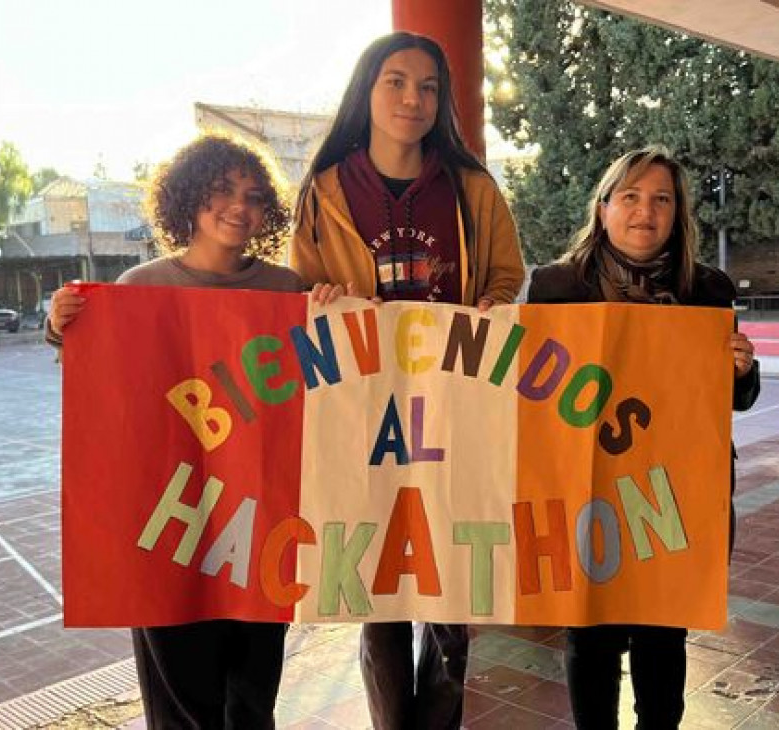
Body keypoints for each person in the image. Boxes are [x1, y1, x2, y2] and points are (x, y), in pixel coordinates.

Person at [47, 133, 345, 729]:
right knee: (181, 705)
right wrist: (61, 327)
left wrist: (336, 311)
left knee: (254, 698)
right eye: (221, 191)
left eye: (254, 196)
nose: (239, 205)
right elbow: (105, 398)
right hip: (166, 525)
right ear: (187, 199)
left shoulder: (288, 291)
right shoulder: (137, 288)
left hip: (259, 528)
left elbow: (333, 392)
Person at [289, 31, 525, 730]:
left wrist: (497, 305)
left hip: (455, 409)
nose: (412, 98)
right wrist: (317, 301)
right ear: (366, 91)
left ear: (441, 102)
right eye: (395, 81)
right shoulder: (325, 192)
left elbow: (509, 279)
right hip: (362, 413)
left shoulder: (473, 190)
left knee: (454, 591)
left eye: (427, 87)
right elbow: (296, 292)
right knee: (381, 591)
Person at [526, 146, 760, 730]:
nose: (644, 212)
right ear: (604, 208)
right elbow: (526, 392)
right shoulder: (555, 287)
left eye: (661, 199)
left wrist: (741, 368)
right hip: (589, 488)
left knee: (663, 632)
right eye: (629, 197)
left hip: (676, 491)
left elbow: (737, 401)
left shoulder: (707, 288)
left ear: (678, 214)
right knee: (591, 632)